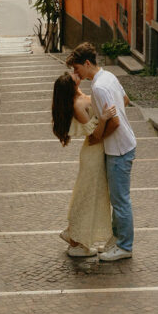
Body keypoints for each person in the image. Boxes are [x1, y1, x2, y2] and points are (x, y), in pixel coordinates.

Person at [66, 42, 137, 262]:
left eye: (77, 68)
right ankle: (117, 240)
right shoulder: (109, 76)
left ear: (87, 63)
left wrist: (98, 137)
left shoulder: (98, 88)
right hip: (125, 143)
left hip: (118, 149)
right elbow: (125, 100)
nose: (76, 73)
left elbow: (114, 122)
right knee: (118, 199)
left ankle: (124, 247)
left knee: (120, 201)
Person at [51, 71, 114, 257]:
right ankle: (76, 242)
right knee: (87, 196)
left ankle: (72, 233)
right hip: (93, 155)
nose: (76, 75)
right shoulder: (78, 104)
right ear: (71, 86)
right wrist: (103, 118)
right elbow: (94, 134)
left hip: (96, 152)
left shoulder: (82, 96)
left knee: (87, 195)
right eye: (73, 77)